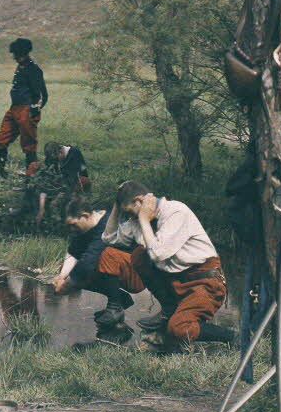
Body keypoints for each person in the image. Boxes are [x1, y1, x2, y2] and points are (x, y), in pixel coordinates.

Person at [102, 180, 232, 351]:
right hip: (177, 281)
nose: (130, 217)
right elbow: (109, 237)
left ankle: (231, 337)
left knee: (179, 328)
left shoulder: (175, 211)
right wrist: (117, 204)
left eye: (129, 211)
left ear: (140, 201)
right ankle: (169, 310)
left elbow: (158, 254)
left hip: (205, 283)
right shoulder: (137, 220)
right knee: (139, 256)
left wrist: (143, 219)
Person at [53, 198, 140, 333]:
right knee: (72, 271)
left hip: (136, 274)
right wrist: (61, 277)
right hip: (118, 270)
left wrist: (67, 285)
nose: (71, 229)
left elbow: (87, 262)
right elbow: (73, 252)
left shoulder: (106, 224)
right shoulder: (84, 229)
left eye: (73, 224)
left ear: (85, 216)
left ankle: (115, 307)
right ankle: (119, 298)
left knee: (103, 257)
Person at [0, 38, 47, 177]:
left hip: (26, 109)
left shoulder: (33, 69)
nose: (14, 57)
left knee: (28, 144)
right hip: (14, 108)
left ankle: (31, 175)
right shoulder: (21, 67)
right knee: (1, 139)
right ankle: (0, 171)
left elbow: (42, 94)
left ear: (23, 53)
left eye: (16, 54)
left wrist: (34, 110)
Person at [21, 142, 92, 228]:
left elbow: (81, 175)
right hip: (58, 186)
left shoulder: (74, 154)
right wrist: (41, 209)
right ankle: (25, 211)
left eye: (57, 158)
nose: (56, 162)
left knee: (56, 204)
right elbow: (46, 182)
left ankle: (61, 223)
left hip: (73, 186)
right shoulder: (52, 161)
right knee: (34, 189)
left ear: (61, 151)